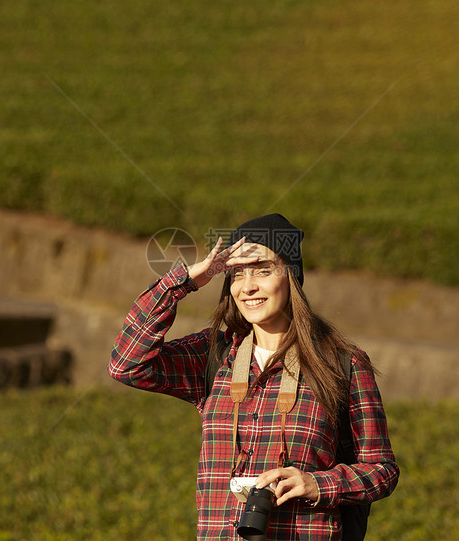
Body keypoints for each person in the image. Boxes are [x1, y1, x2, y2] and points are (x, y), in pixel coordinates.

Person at [109, 214, 398, 540]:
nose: (248, 287)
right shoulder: (213, 355)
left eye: (262, 270)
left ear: (291, 276)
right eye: (236, 274)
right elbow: (127, 365)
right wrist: (184, 282)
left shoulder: (341, 363)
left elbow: (381, 470)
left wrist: (316, 483)